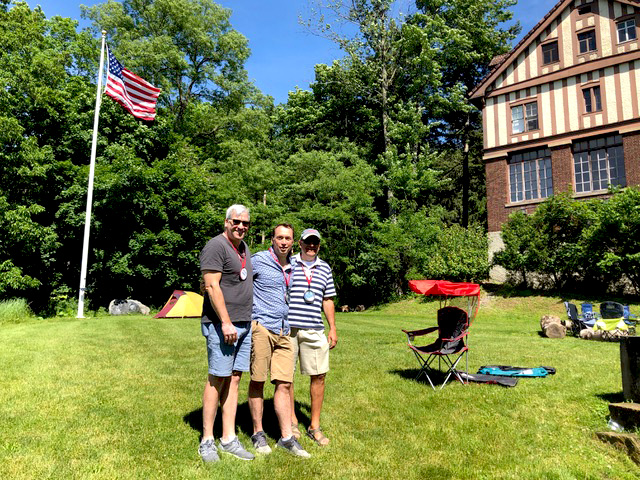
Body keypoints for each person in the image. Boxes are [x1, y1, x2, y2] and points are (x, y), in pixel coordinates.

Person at [198, 204, 255, 463]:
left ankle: (228, 438)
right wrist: (226, 322)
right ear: (226, 222)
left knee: (234, 379)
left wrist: (243, 322)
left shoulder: (244, 248)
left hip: (243, 324)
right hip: (224, 325)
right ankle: (207, 440)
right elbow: (211, 286)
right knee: (217, 378)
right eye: (236, 221)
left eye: (246, 223)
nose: (241, 226)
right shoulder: (216, 246)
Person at [248, 224, 310, 458]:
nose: (284, 242)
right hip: (262, 327)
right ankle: (258, 433)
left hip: (284, 330)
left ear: (293, 242)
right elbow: (239, 281)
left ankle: (286, 437)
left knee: (284, 383)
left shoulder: (294, 265)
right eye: (280, 238)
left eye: (288, 238)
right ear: (272, 239)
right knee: (258, 380)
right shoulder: (259, 260)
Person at [288, 228, 337, 446]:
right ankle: (291, 422)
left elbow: (327, 299)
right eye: (308, 242)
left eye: (315, 243)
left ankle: (314, 426)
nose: (311, 246)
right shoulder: (288, 264)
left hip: (314, 329)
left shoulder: (325, 268)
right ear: (299, 243)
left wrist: (332, 327)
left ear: (319, 245)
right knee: (285, 377)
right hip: (287, 329)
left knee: (319, 375)